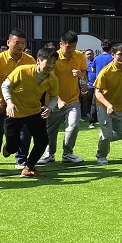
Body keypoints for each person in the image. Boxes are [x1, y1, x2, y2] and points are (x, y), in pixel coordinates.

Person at [1, 47, 59, 178]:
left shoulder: (52, 79)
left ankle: (29, 167)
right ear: (38, 61)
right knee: (13, 146)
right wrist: (9, 102)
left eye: (53, 63)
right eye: (48, 62)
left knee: (42, 141)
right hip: (15, 112)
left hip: (34, 111)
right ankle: (9, 148)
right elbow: (5, 86)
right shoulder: (22, 71)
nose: (51, 66)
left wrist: (50, 107)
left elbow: (54, 96)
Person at [0, 30, 35, 168]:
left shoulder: (30, 60)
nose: (20, 46)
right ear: (8, 42)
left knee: (25, 131)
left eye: (23, 43)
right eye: (17, 43)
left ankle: (21, 158)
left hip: (21, 104)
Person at [41, 31, 88, 165]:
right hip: (53, 100)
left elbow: (84, 72)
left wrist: (80, 74)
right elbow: (49, 82)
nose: (71, 50)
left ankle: (67, 153)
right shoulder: (53, 58)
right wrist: (59, 100)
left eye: (74, 46)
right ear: (61, 44)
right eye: (68, 47)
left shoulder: (79, 56)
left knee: (73, 126)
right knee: (51, 130)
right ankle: (49, 154)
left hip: (73, 99)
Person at [93, 43, 122, 165]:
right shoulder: (105, 72)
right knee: (106, 135)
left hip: (121, 105)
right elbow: (98, 93)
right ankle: (101, 156)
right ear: (113, 55)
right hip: (104, 106)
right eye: (120, 54)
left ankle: (104, 136)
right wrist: (108, 105)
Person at [88, 41, 114, 129]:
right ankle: (111, 120)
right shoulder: (112, 58)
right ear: (111, 48)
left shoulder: (97, 58)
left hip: (99, 84)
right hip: (110, 84)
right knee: (111, 102)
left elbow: (93, 70)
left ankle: (92, 122)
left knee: (94, 103)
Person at [80, 49, 95, 120]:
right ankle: (89, 115)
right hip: (90, 86)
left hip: (98, 85)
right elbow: (85, 74)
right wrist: (87, 82)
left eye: (90, 54)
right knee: (90, 101)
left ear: (93, 54)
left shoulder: (96, 62)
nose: (89, 55)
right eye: (87, 54)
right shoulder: (86, 64)